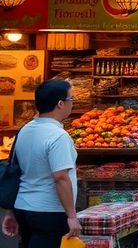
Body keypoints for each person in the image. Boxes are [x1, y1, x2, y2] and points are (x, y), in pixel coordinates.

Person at [2, 80, 80, 247]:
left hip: (23, 207)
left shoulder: (25, 130)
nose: (72, 104)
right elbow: (60, 177)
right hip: (49, 211)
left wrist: (10, 210)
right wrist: (72, 216)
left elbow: (15, 171)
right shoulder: (58, 136)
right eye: (71, 99)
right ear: (60, 104)